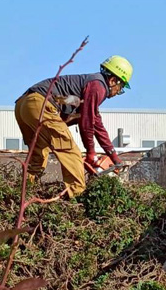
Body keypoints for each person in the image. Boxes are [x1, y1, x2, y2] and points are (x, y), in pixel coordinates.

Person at [14, 56, 133, 197]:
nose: (118, 93)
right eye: (120, 88)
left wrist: (113, 156)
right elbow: (87, 123)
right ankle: (76, 198)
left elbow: (96, 124)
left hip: (24, 104)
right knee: (71, 152)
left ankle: (23, 193)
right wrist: (91, 152)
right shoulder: (98, 87)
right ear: (113, 80)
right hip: (41, 104)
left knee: (39, 153)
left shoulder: (90, 86)